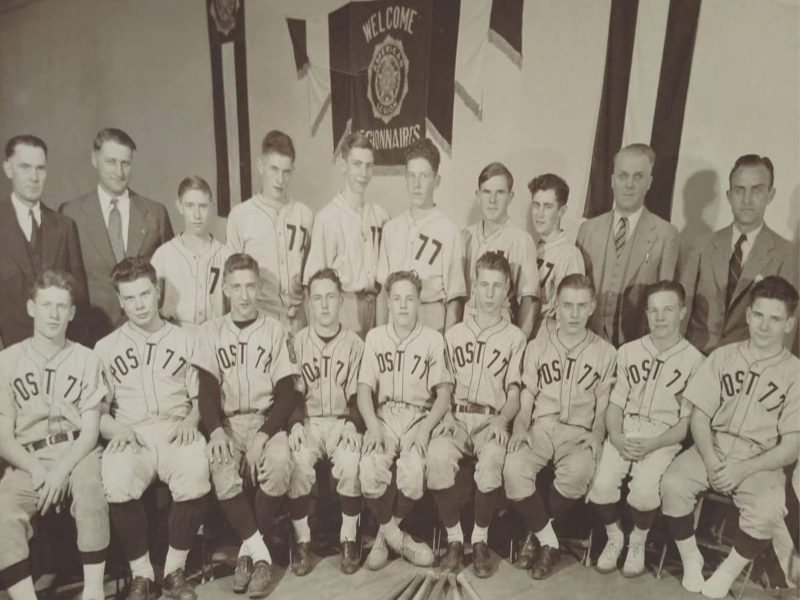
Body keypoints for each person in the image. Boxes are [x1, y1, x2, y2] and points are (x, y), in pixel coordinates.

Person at [660, 275, 799, 598]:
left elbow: (792, 446)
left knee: (768, 508)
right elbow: (701, 416)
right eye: (759, 315)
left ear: (789, 324)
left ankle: (727, 571)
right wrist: (709, 458)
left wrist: (742, 469)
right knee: (672, 483)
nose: (765, 326)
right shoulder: (723, 356)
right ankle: (691, 558)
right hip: (714, 444)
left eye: (776, 319)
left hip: (760, 459)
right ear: (748, 315)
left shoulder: (795, 374)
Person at [95, 257, 210, 600]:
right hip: (132, 433)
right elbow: (98, 414)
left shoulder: (186, 339)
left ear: (157, 291)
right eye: (129, 298)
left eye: (144, 294)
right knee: (116, 479)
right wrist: (115, 429)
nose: (138, 304)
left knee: (195, 470)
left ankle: (174, 570)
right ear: (119, 300)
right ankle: (142, 575)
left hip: (177, 427)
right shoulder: (105, 347)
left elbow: (203, 397)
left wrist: (192, 420)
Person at [192, 253, 301, 598]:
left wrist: (264, 436)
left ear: (259, 288)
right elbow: (206, 394)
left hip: (268, 419)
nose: (243, 295)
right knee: (221, 464)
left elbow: (287, 395)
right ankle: (262, 554)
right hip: (227, 421)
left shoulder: (275, 329)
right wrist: (216, 432)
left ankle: (246, 555)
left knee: (281, 462)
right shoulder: (210, 332)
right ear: (225, 289)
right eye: (236, 287)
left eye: (251, 287)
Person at [0, 270, 109, 600]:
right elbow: (4, 437)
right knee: (3, 512)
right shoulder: (7, 361)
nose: (53, 314)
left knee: (91, 491)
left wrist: (62, 470)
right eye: (46, 305)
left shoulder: (87, 358)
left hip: (77, 451)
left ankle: (93, 592)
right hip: (26, 457)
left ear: (72, 313)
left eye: (61, 306)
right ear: (31, 308)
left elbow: (90, 432)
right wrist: (36, 469)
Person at [587, 280, 704, 578]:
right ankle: (616, 537)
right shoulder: (628, 352)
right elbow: (615, 404)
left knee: (642, 492)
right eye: (654, 311)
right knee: (600, 487)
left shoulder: (696, 361)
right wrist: (615, 435)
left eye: (668, 309)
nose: (660, 317)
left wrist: (653, 444)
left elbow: (685, 424)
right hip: (625, 429)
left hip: (663, 437)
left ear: (682, 312)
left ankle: (637, 540)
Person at [504, 274, 616, 580]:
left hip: (579, 432)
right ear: (557, 306)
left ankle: (536, 532)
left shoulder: (606, 352)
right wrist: (520, 427)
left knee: (580, 472)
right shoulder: (538, 346)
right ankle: (549, 540)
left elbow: (605, 404)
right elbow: (527, 396)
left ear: (593, 306)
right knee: (513, 469)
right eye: (568, 306)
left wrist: (597, 434)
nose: (575, 314)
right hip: (541, 426)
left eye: (582, 306)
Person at [427, 252, 527, 577]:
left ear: (508, 289)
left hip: (490, 418)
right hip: (456, 416)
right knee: (438, 457)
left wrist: (502, 419)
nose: (489, 293)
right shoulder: (453, 334)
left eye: (497, 286)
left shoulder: (515, 338)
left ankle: (480, 539)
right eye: (483, 284)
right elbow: (442, 389)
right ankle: (455, 540)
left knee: (494, 459)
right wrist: (445, 418)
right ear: (474, 285)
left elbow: (514, 395)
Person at [357, 271, 453, 570]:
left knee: (412, 476)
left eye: (409, 299)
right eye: (396, 298)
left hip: (417, 417)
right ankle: (397, 539)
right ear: (388, 301)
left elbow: (444, 394)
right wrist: (372, 426)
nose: (402, 306)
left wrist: (425, 430)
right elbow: (363, 390)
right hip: (384, 416)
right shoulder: (375, 337)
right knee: (370, 470)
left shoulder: (433, 339)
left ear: (419, 302)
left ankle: (385, 538)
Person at [60, 128, 173, 346]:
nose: (119, 172)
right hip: (91, 337)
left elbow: (168, 276)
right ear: (94, 159)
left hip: (147, 338)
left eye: (126, 163)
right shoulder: (70, 214)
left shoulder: (156, 214)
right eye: (111, 162)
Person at [286, 268, 365, 576]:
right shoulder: (298, 341)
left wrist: (353, 423)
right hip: (308, 421)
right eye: (317, 298)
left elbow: (361, 393)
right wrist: (294, 424)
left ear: (341, 299)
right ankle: (303, 541)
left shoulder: (356, 344)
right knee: (298, 462)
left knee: (350, 460)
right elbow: (291, 393)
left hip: (342, 421)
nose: (324, 305)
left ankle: (348, 538)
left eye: (330, 297)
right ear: (308, 302)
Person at [680, 154, 798, 355]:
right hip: (694, 361)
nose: (746, 200)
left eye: (757, 190)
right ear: (729, 195)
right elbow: (682, 308)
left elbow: (784, 328)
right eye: (739, 190)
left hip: (745, 367)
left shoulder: (785, 254)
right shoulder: (703, 245)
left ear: (770, 195)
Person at [576, 143, 679, 347]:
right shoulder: (588, 230)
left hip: (637, 349)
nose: (629, 184)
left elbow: (666, 303)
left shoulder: (666, 235)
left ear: (649, 182)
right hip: (587, 346)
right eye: (623, 176)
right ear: (613, 181)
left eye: (638, 177)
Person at [0, 135, 88, 348]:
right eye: (25, 167)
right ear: (8, 169)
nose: (34, 177)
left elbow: (80, 299)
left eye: (40, 168)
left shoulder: (65, 226)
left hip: (60, 355)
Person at [226, 131, 313, 336]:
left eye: (286, 171)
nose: (279, 179)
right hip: (258, 322)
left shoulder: (304, 214)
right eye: (274, 169)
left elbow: (310, 277)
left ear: (293, 170)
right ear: (260, 167)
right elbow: (232, 278)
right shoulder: (240, 215)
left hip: (298, 323)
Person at [303, 133, 389, 339]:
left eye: (369, 166)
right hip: (343, 306)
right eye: (357, 164)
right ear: (344, 165)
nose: (363, 173)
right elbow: (311, 283)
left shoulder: (380, 215)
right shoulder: (327, 217)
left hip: (376, 305)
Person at [377, 139, 466, 333]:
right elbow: (383, 293)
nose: (416, 184)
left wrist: (446, 344)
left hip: (431, 319)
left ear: (436, 181)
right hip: (395, 323)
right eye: (411, 176)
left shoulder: (449, 231)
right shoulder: (391, 228)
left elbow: (455, 299)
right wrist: (379, 338)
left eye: (424, 176)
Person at [463, 163, 540, 339]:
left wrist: (518, 344)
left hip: (501, 332)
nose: (492, 200)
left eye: (500, 193)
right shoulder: (465, 236)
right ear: (478, 196)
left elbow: (530, 299)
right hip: (466, 330)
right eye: (487, 192)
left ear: (510, 197)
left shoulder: (520, 239)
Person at [151, 176, 231, 330]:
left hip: (216, 338)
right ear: (179, 206)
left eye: (203, 206)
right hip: (175, 339)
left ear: (212, 207)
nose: (196, 215)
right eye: (189, 206)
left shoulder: (225, 256)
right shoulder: (163, 255)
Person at [528, 173, 584, 324]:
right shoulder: (530, 246)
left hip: (547, 335)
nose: (539, 214)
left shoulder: (569, 255)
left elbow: (571, 312)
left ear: (561, 211)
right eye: (536, 205)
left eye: (548, 206)